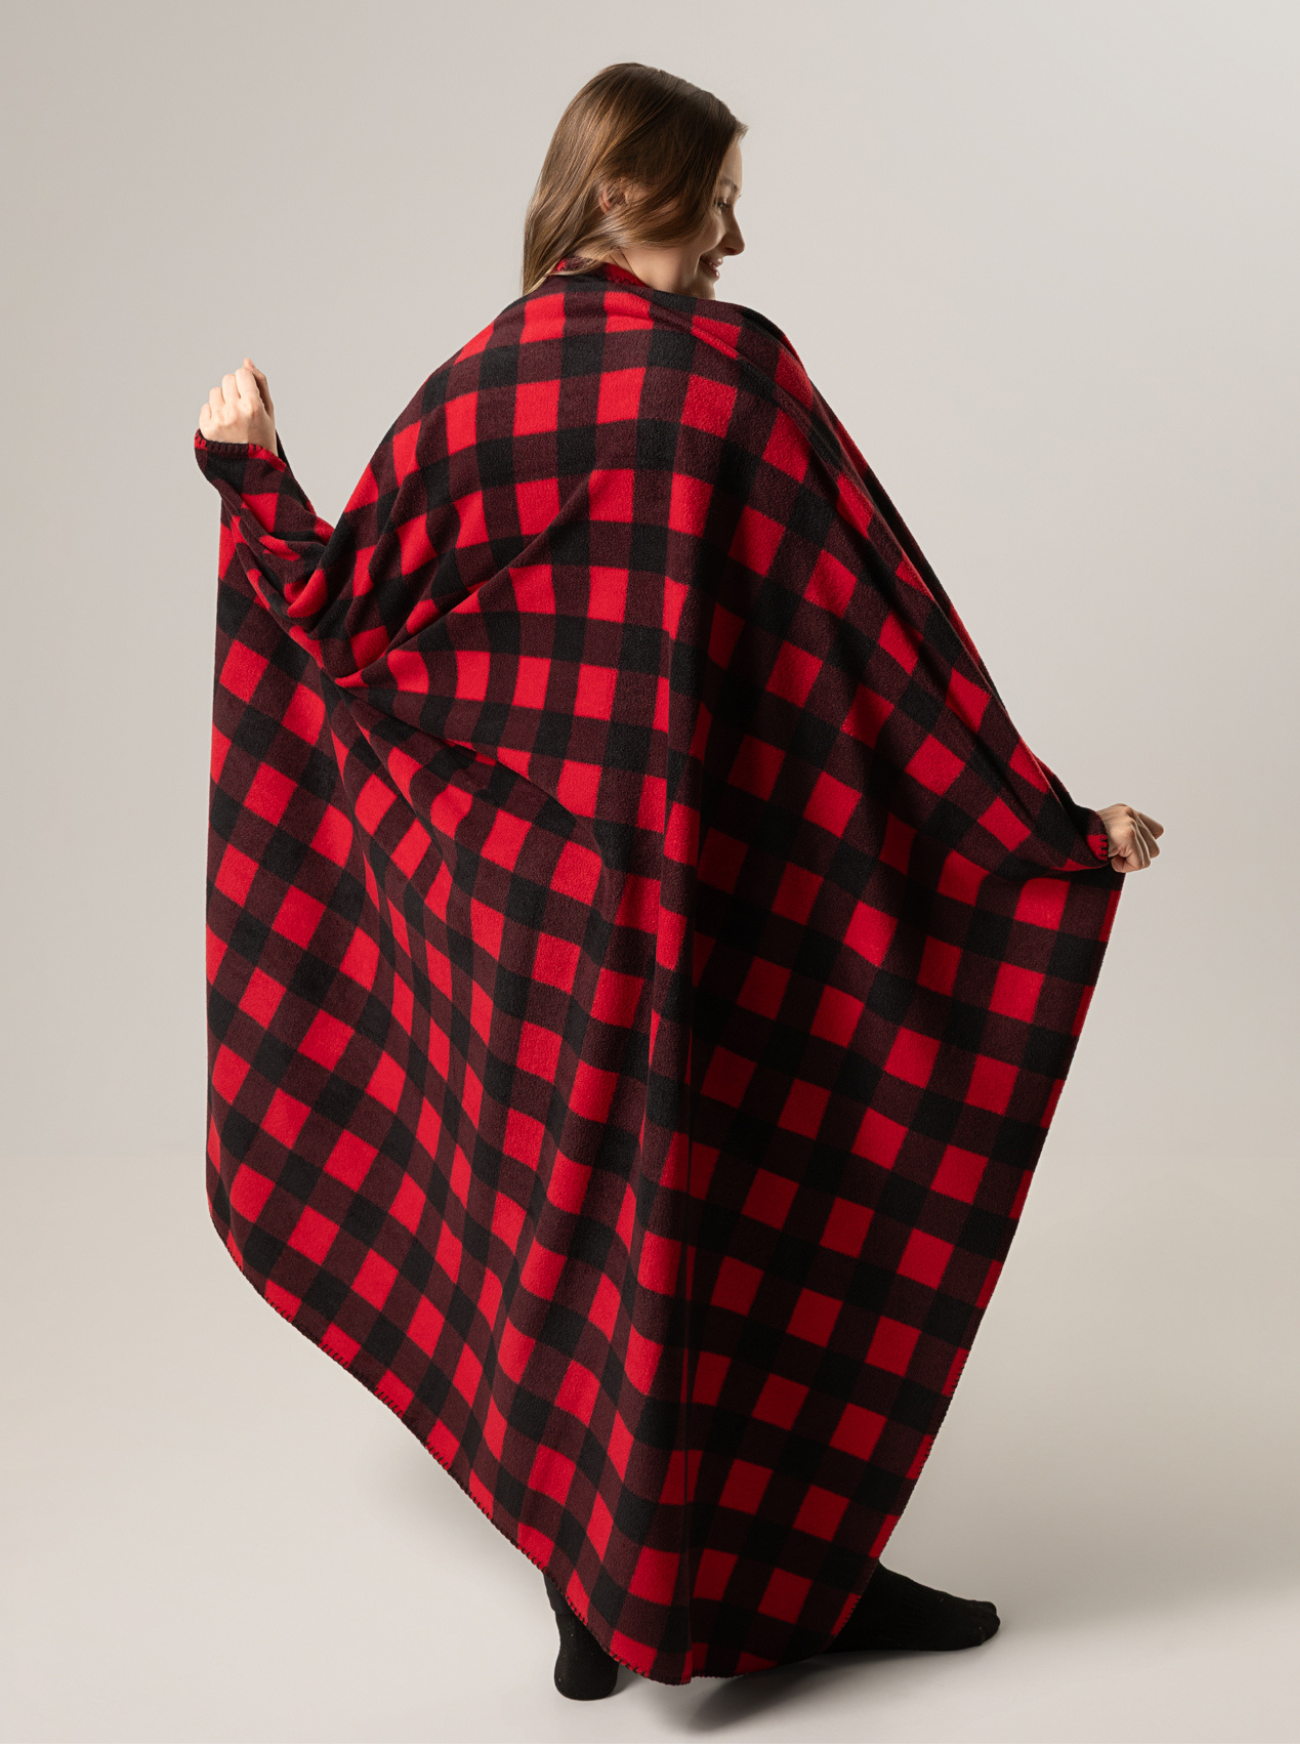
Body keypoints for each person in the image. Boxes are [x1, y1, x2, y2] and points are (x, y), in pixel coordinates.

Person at [196, 63, 1162, 1703]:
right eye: (715, 191)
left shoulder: (491, 376)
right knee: (743, 1224)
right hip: (716, 898)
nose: (736, 227)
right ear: (638, 188)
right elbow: (891, 633)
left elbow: (350, 611)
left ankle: (618, 1595)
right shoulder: (740, 378)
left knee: (586, 1237)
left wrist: (257, 482)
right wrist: (1036, 822)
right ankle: (753, 1580)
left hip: (539, 916)